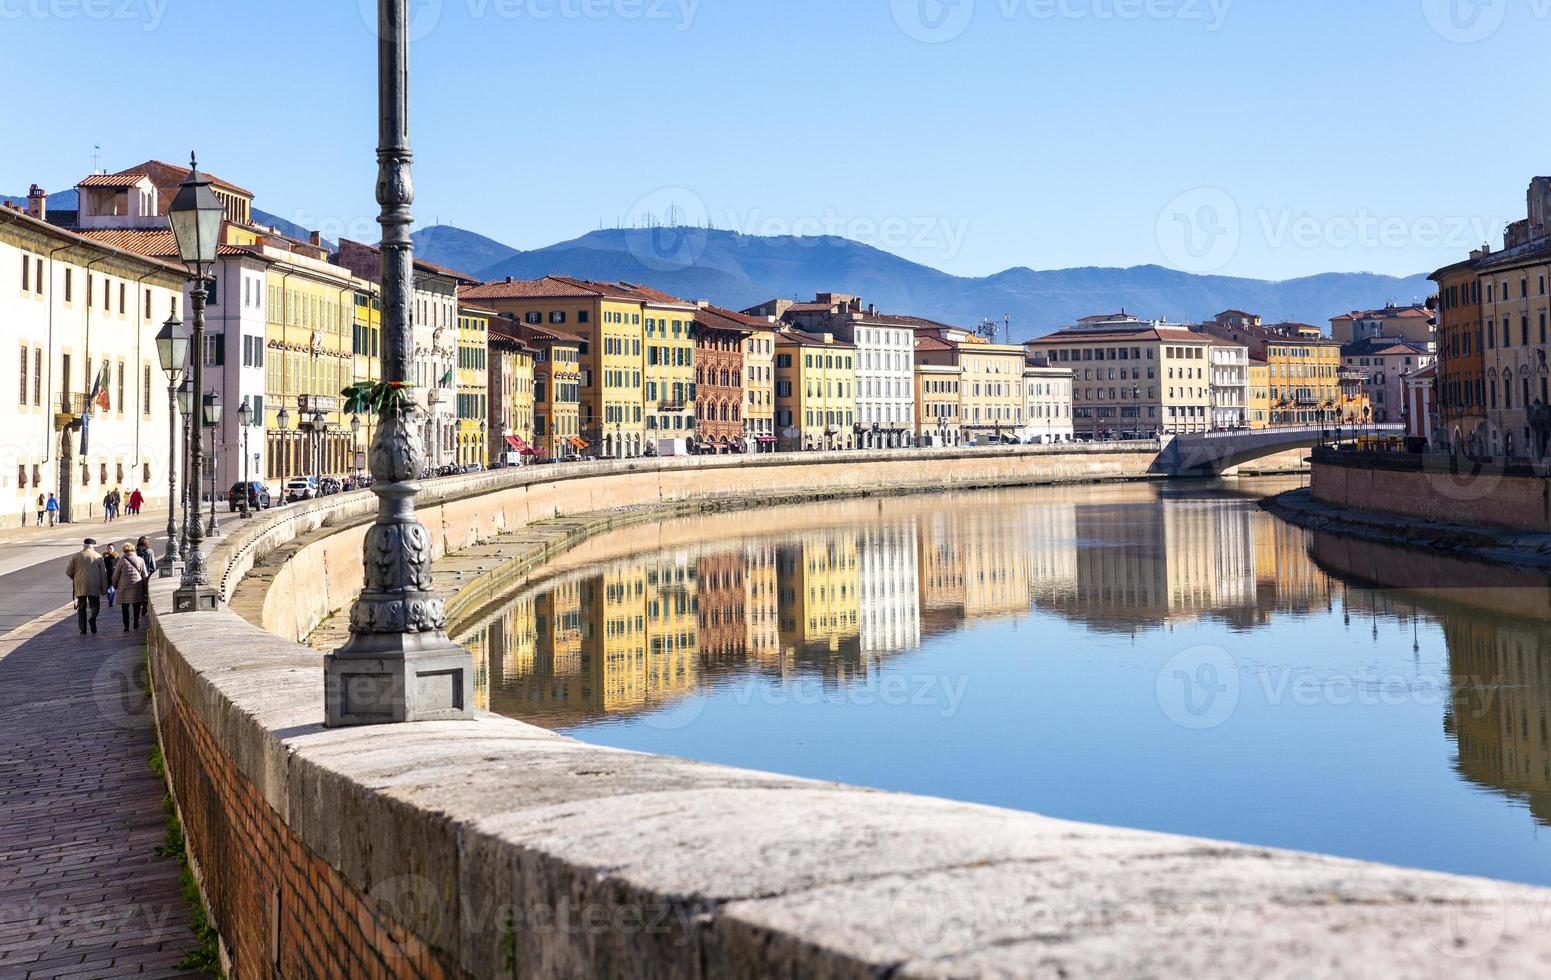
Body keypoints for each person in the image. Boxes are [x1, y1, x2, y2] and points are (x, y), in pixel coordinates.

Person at [65, 538, 107, 635]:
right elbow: (103, 574)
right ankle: (92, 618)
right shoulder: (98, 556)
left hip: (80, 585)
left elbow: (68, 571)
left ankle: (82, 629)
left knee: (81, 608)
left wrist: (75, 578)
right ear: (92, 546)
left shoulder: (76, 556)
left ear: (84, 546)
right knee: (95, 605)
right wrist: (104, 588)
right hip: (94, 584)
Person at [112, 541, 149, 631]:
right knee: (136, 605)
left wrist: (115, 585)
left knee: (125, 607)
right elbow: (145, 575)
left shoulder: (121, 560)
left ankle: (126, 625)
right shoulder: (140, 560)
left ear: (124, 550)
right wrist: (146, 588)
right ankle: (136, 621)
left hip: (123, 586)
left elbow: (115, 575)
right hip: (137, 585)